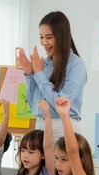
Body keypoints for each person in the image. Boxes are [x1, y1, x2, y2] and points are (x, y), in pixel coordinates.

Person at [18, 11, 87, 141]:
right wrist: (29, 74)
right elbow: (34, 105)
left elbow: (60, 104)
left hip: (63, 128)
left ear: (61, 37)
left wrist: (38, 74)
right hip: (40, 126)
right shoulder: (44, 63)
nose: (44, 42)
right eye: (41, 37)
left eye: (49, 37)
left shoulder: (76, 65)